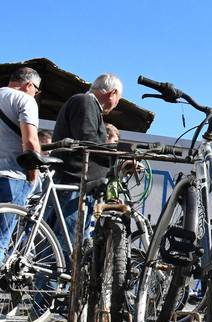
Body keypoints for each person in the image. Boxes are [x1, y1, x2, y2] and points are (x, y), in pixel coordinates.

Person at [49, 73, 122, 264]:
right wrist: (117, 154)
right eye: (118, 99)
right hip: (73, 183)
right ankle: (49, 292)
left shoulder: (87, 105)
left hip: (77, 184)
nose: (116, 105)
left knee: (64, 244)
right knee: (65, 246)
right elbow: (88, 138)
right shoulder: (85, 102)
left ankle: (50, 290)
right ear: (112, 93)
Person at [0, 67, 42, 264]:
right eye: (37, 90)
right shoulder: (25, 100)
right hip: (11, 179)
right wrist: (33, 176)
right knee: (1, 242)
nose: (36, 94)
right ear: (29, 85)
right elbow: (31, 142)